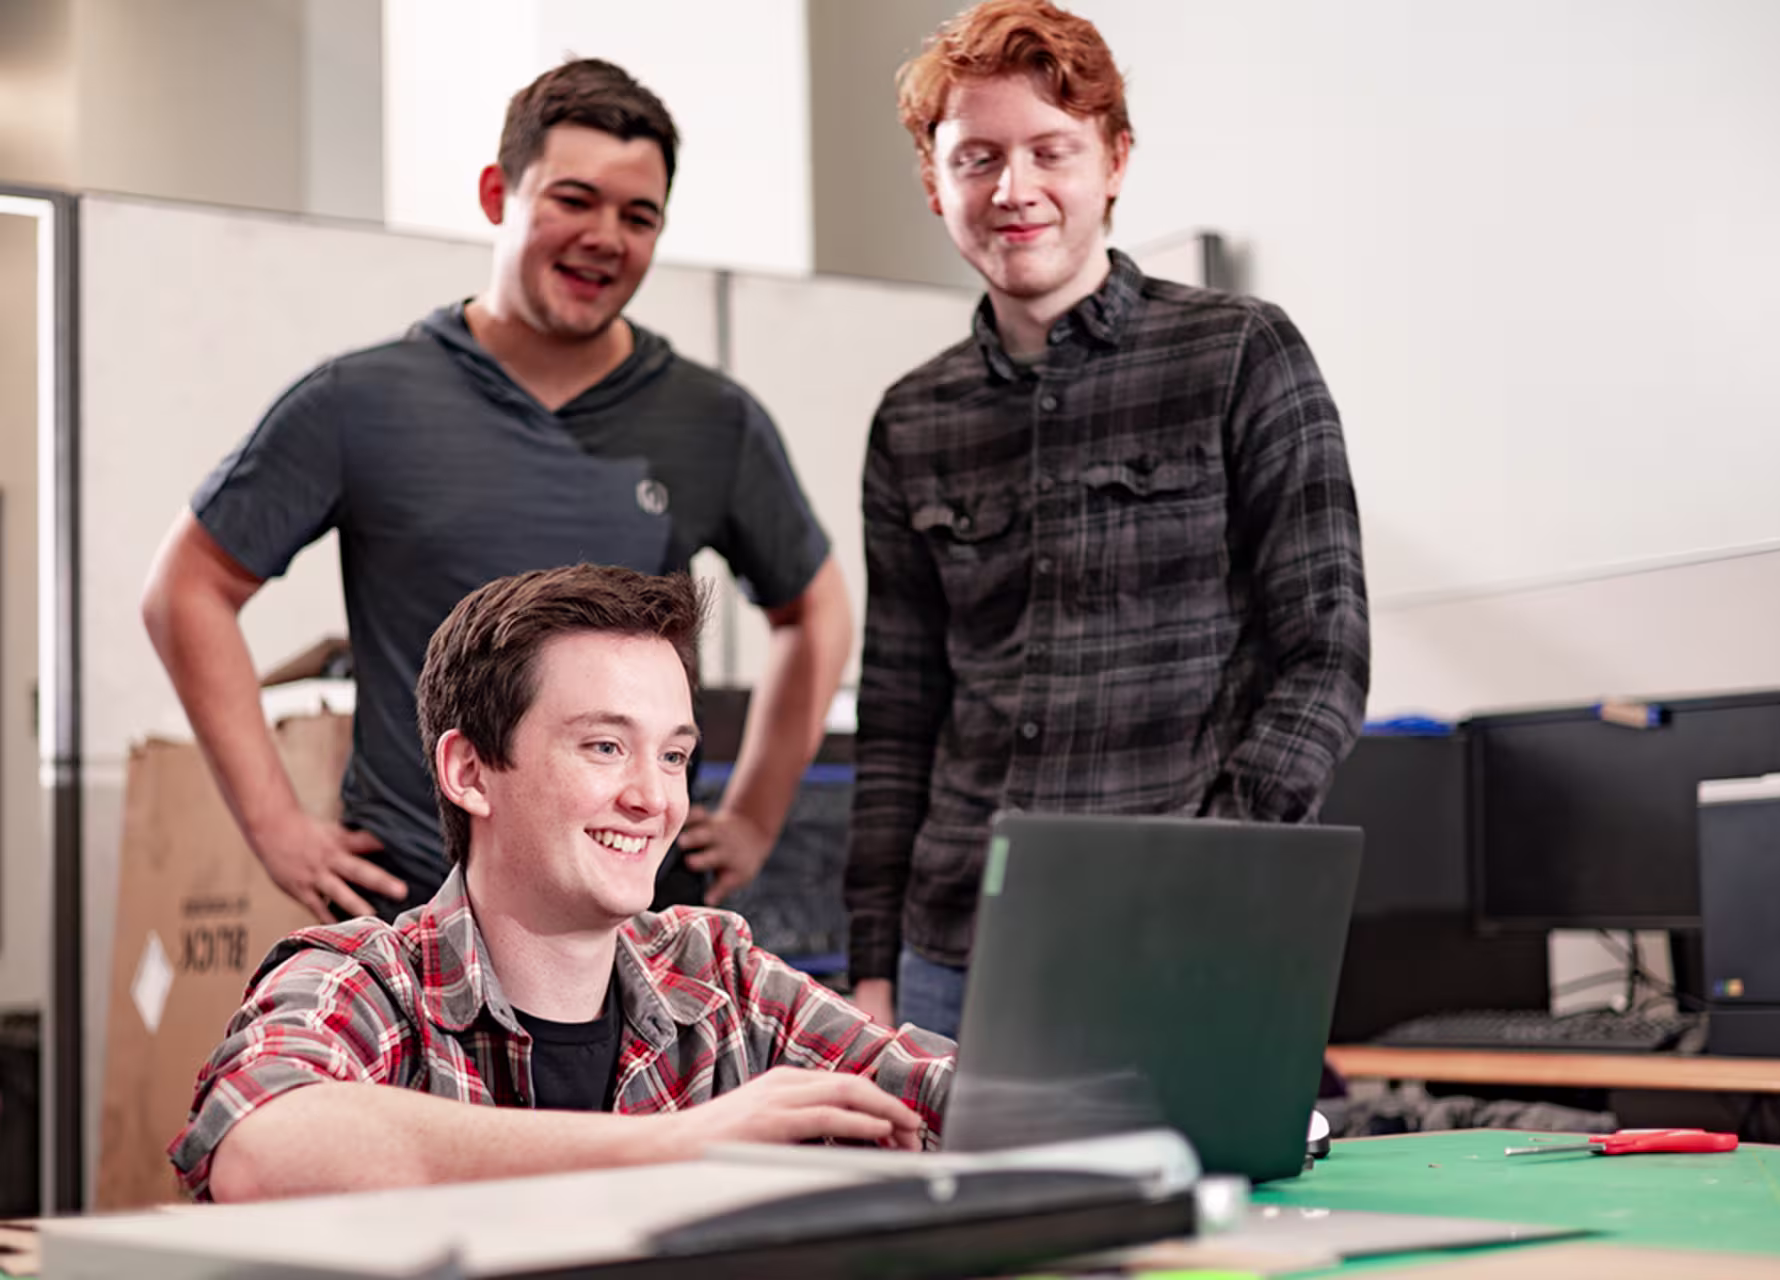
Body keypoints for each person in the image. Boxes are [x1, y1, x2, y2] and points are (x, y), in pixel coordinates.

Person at [142, 58, 849, 923]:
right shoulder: (359, 402)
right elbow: (187, 589)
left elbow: (815, 610)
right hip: (419, 907)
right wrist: (275, 827)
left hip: (633, 913)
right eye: (573, 200)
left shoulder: (711, 420)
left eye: (638, 216)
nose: (605, 237)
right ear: (495, 195)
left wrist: (756, 817)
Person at [847, 0, 1371, 1038]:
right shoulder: (913, 418)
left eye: (1052, 151)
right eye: (978, 158)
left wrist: (1218, 866)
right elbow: (900, 714)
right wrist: (871, 965)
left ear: (1115, 160)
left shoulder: (1240, 352)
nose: (1015, 189)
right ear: (935, 181)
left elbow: (1326, 657)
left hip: (1187, 926)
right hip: (954, 949)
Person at [169, 565, 951, 1204]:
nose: (654, 799)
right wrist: (677, 1145)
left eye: (674, 756)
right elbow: (258, 1147)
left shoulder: (720, 978)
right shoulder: (366, 981)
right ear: (470, 772)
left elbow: (957, 1100)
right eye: (606, 746)